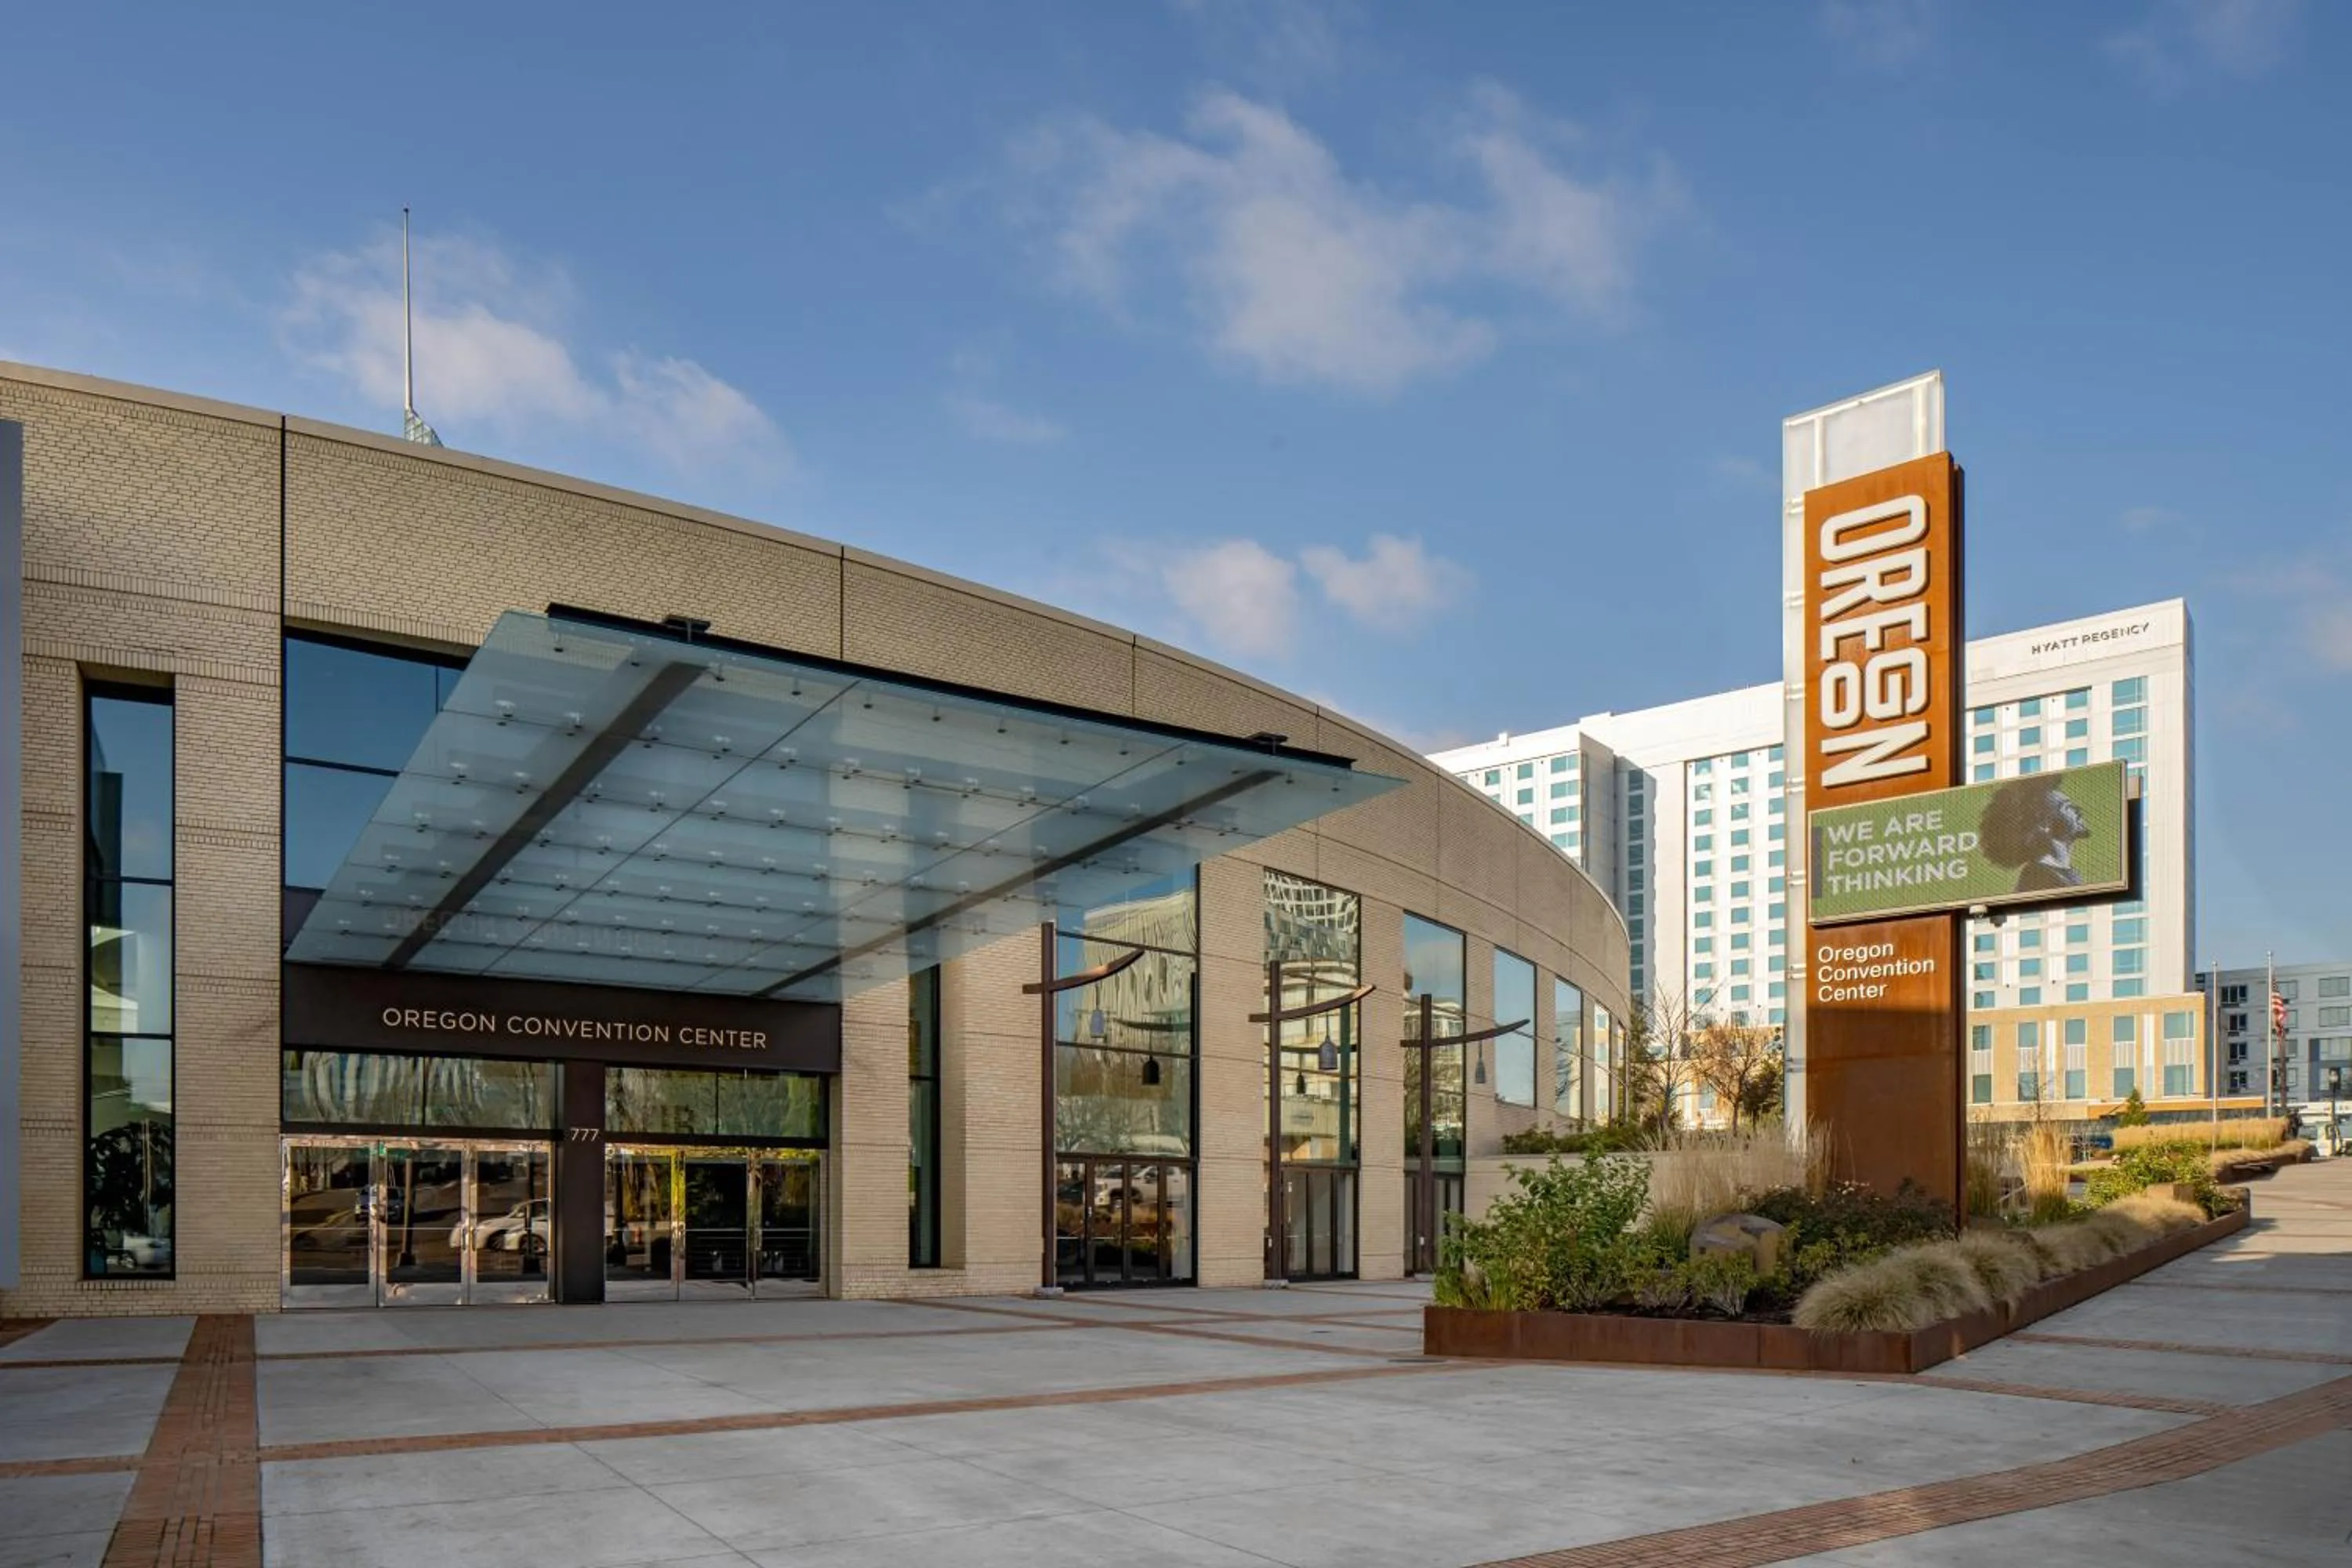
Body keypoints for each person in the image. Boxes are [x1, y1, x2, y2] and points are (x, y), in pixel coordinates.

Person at [1978, 778, 2092, 895]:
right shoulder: (2036, 882)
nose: (2078, 811)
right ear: (2044, 825)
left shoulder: (2061, 873)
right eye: (2067, 807)